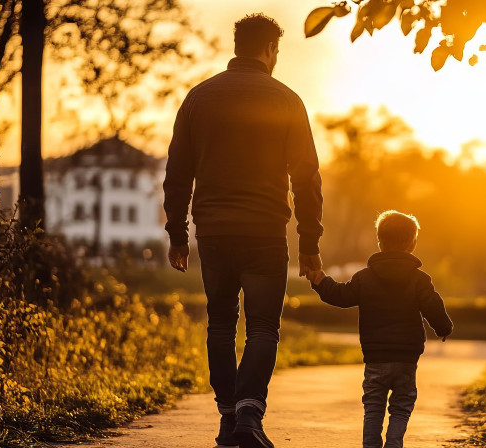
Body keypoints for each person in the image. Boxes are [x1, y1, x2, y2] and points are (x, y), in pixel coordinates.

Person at [163, 13, 323, 448]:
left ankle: (228, 417)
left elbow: (178, 172)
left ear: (237, 46)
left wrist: (177, 233)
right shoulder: (286, 100)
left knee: (219, 323)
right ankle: (249, 415)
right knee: (263, 327)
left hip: (213, 232)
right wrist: (309, 242)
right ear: (271, 50)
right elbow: (306, 177)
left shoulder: (199, 98)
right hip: (265, 233)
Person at [307, 210, 453, 448]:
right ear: (412, 243)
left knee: (373, 405)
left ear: (379, 241)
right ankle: (394, 443)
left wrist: (320, 280)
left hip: (375, 357)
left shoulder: (365, 278)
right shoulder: (420, 280)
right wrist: (443, 328)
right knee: (402, 404)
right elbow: (433, 307)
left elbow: (341, 296)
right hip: (407, 357)